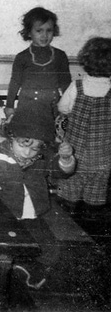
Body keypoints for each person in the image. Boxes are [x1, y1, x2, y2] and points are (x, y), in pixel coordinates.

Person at [0, 111, 75, 289]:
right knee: (0, 248)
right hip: (4, 216)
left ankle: (31, 272)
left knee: (50, 249)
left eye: (34, 148)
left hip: (32, 216)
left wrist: (65, 158)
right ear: (12, 138)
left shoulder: (42, 157)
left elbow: (61, 172)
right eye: (23, 145)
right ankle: (2, 272)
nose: (27, 152)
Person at [56, 37, 111, 216]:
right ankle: (91, 216)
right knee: (97, 187)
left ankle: (68, 215)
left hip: (74, 151)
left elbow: (63, 108)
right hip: (102, 155)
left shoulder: (77, 86)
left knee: (70, 183)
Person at [5, 7, 71, 143]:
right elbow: (15, 82)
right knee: (27, 142)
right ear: (29, 32)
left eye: (49, 31)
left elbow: (66, 83)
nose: (44, 35)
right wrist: (9, 105)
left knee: (50, 143)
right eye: (39, 31)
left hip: (52, 107)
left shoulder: (60, 56)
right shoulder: (22, 57)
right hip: (27, 107)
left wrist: (70, 108)